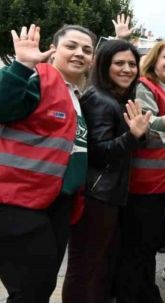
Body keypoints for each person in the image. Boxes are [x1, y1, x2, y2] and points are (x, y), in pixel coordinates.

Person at [0, 24, 94, 302]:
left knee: (40, 286)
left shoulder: (75, 96)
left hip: (55, 203)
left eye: (87, 50)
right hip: (17, 201)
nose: (79, 53)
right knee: (32, 287)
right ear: (54, 51)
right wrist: (21, 66)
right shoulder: (39, 78)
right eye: (71, 46)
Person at [62, 39, 149, 303]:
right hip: (96, 195)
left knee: (99, 265)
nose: (127, 69)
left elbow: (127, 140)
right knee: (86, 266)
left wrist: (138, 135)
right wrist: (132, 137)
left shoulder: (116, 98)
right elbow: (97, 152)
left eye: (132, 64)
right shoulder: (100, 99)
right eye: (119, 63)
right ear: (105, 66)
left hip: (107, 195)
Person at [116, 36, 165, 303]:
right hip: (140, 185)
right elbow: (145, 125)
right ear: (154, 60)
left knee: (145, 248)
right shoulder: (143, 87)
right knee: (138, 250)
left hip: (157, 184)